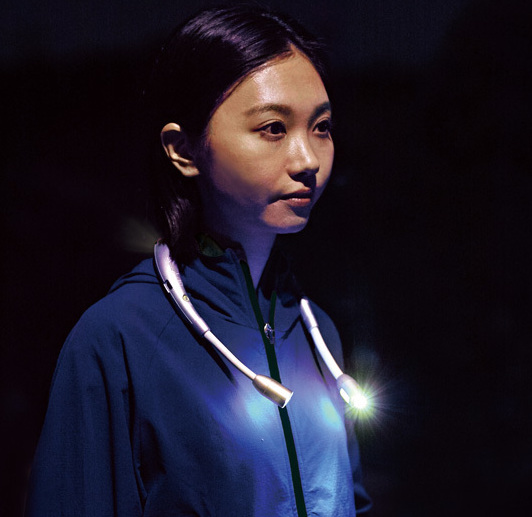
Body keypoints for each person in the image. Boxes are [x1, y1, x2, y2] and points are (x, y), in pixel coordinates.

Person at [25, 6, 372, 516]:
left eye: (321, 127)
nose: (307, 160)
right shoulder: (118, 338)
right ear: (183, 149)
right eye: (273, 128)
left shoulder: (317, 333)